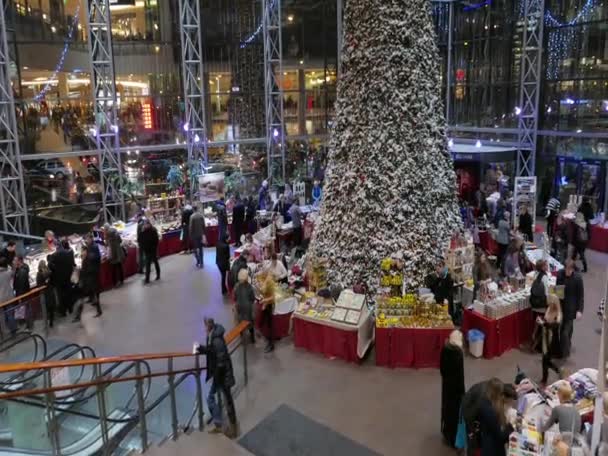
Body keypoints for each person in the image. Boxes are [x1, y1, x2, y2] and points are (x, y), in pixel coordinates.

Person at [195, 318, 238, 437]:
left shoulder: (216, 339)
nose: (204, 328)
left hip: (222, 375)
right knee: (224, 399)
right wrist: (201, 349)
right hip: (220, 374)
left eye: (205, 326)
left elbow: (221, 359)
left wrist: (217, 377)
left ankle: (232, 429)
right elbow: (212, 351)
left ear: (209, 325)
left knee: (226, 400)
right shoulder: (213, 336)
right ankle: (222, 424)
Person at [476, 378, 514, 456]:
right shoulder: (489, 411)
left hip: (487, 444)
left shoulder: (484, 401)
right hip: (493, 450)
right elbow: (501, 437)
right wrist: (511, 426)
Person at [440, 330, 465, 448]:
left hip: (446, 386)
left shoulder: (444, 350)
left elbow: (442, 369)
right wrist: (463, 392)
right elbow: (461, 376)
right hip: (456, 390)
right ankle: (453, 438)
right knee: (455, 413)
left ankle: (446, 433)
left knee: (446, 409)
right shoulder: (458, 354)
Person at [556, 259, 584, 358]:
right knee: (563, 330)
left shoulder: (578, 278)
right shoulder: (559, 274)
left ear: (572, 269)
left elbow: (580, 296)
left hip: (571, 309)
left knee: (565, 332)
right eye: (566, 269)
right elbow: (558, 290)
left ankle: (564, 353)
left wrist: (580, 310)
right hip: (560, 307)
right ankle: (564, 347)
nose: (567, 272)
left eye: (569, 270)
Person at [73, 236, 102, 321]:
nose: (82, 253)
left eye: (83, 251)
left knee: (87, 296)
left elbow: (94, 262)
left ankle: (98, 310)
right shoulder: (86, 257)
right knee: (82, 297)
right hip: (87, 278)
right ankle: (79, 315)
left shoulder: (91, 253)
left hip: (90, 278)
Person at [538, 294, 563, 385]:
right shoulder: (548, 309)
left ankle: (546, 378)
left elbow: (554, 326)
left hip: (551, 341)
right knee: (545, 360)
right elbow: (545, 320)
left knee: (546, 360)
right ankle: (553, 373)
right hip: (545, 338)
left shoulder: (559, 314)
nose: (549, 303)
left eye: (551, 301)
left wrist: (544, 324)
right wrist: (541, 320)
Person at [49, 239, 76, 315]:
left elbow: (50, 266)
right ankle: (71, 308)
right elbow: (72, 264)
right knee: (68, 293)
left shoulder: (54, 255)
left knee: (61, 295)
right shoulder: (68, 253)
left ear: (56, 246)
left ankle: (63, 311)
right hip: (68, 277)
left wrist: (55, 269)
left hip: (58, 279)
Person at [234, 268, 255, 344]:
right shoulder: (249, 287)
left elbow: (235, 297)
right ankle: (252, 338)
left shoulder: (236, 286)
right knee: (250, 322)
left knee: (240, 322)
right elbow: (252, 298)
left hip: (239, 307)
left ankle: (242, 338)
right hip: (248, 307)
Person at [140, 219, 160, 284]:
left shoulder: (153, 230)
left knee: (155, 261)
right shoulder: (143, 231)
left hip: (152, 249)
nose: (145, 226)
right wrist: (143, 247)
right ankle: (147, 279)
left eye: (146, 224)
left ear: (149, 224)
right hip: (147, 250)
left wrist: (154, 247)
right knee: (147, 264)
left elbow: (156, 240)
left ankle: (158, 274)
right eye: (144, 224)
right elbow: (141, 240)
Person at [36, 260, 56, 327]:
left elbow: (39, 284)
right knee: (51, 306)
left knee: (46, 308)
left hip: (44, 292)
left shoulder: (39, 274)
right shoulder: (48, 271)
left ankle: (47, 322)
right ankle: (51, 320)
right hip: (50, 290)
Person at [259, 276, 275, 353]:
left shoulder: (270, 284)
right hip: (266, 305)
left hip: (269, 306)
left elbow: (273, 297)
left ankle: (271, 345)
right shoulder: (264, 281)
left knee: (270, 325)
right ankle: (268, 340)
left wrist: (264, 300)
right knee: (266, 324)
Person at [0, 257, 15, 334]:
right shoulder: (8, 273)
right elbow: (14, 271)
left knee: (1, 316)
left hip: (0, 299)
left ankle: (4, 331)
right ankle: (13, 330)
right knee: (10, 314)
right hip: (9, 297)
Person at [189, 204, 206, 268]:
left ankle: (198, 260)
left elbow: (191, 227)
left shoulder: (192, 217)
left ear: (193, 209)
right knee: (201, 249)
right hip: (201, 234)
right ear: (197, 209)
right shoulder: (201, 216)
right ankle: (202, 262)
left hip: (194, 235)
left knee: (195, 249)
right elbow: (204, 225)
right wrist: (204, 233)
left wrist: (190, 235)